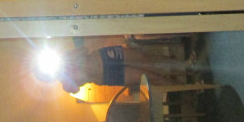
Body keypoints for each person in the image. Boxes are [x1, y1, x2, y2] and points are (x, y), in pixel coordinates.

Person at [37, 44, 202, 94]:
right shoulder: (66, 85)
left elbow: (84, 49)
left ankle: (186, 65)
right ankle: (190, 88)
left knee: (146, 59)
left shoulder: (64, 57)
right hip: (109, 76)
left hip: (105, 56)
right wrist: (65, 75)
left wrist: (66, 57)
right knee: (150, 77)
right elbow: (76, 87)